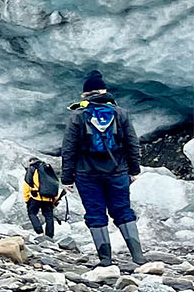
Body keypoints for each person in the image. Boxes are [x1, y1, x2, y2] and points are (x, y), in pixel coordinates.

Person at [60, 68, 143, 267]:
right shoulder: (120, 113)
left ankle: (105, 259)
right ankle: (138, 256)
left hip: (86, 174)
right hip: (118, 171)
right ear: (104, 92)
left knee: (95, 213)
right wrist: (134, 170)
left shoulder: (78, 116)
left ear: (85, 95)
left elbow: (68, 149)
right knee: (123, 210)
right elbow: (132, 143)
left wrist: (66, 179)